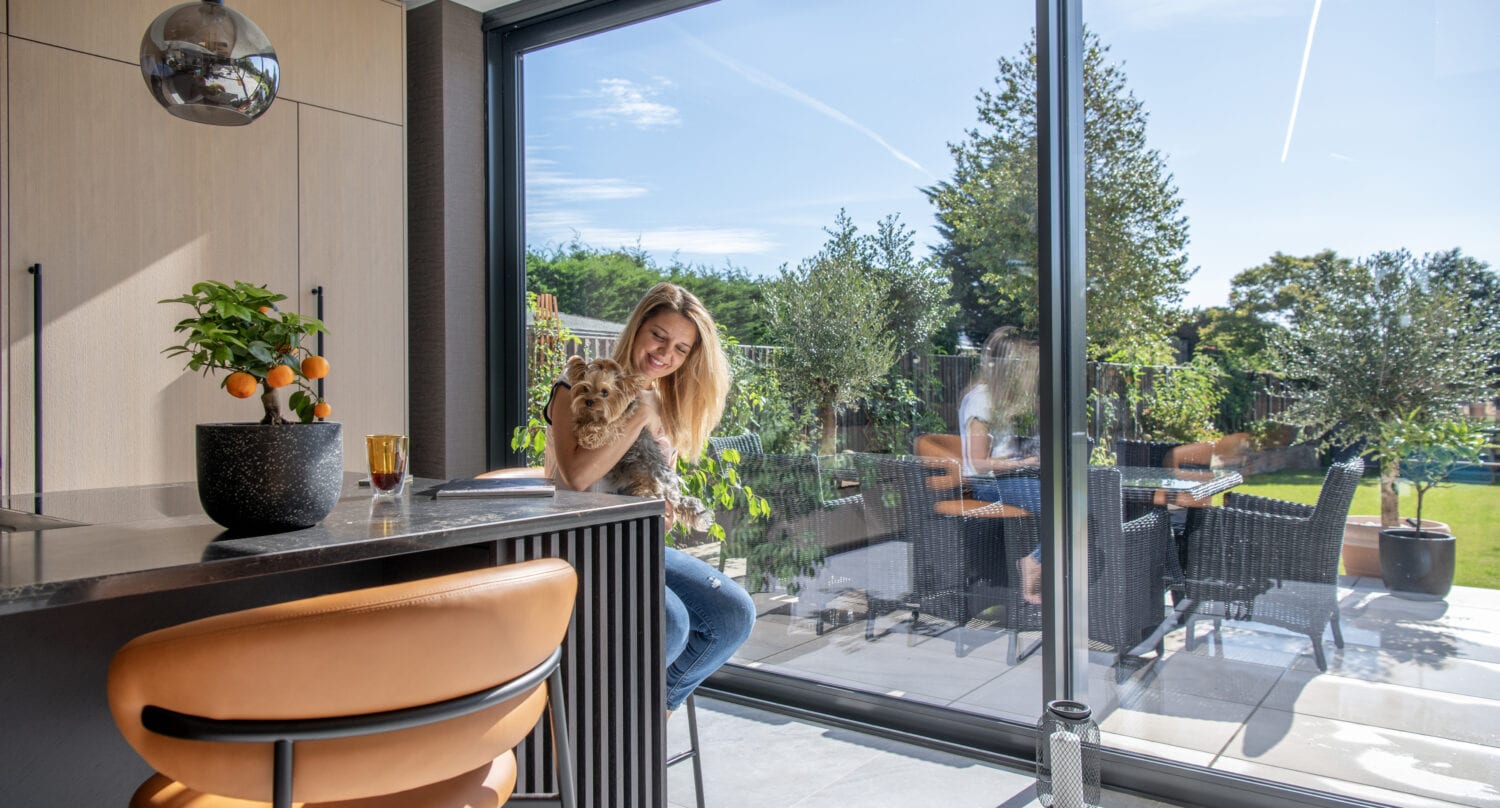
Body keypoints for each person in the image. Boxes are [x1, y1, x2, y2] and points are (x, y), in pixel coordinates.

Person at [544, 282, 756, 714]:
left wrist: (666, 511)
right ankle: (609, 730)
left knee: (734, 614)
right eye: (659, 336)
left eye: (681, 348)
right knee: (671, 622)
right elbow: (579, 476)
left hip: (634, 547)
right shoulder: (576, 385)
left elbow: (655, 498)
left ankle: (647, 717)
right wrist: (641, 409)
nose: (665, 354)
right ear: (637, 327)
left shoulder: (666, 406)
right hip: (577, 549)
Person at [957, 327, 1044, 603]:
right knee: (1064, 505)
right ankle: (1033, 562)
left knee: (1074, 498)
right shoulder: (981, 400)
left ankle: (1041, 564)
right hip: (988, 486)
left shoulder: (996, 400)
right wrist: (1026, 462)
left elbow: (1002, 452)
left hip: (1006, 480)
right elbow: (979, 464)